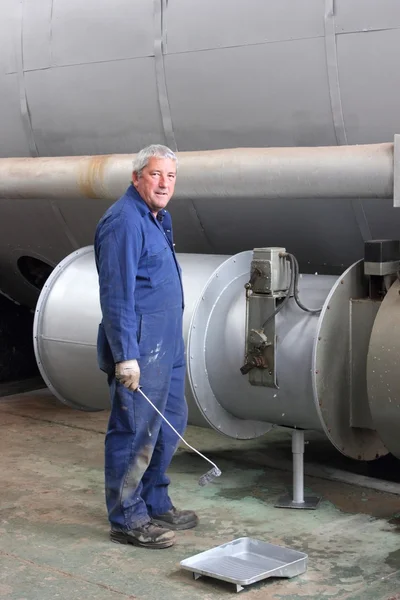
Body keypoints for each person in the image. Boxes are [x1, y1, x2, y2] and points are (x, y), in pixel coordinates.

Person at [94, 144, 198, 549]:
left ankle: (153, 499)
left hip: (167, 346)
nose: (164, 183)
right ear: (137, 177)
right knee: (133, 432)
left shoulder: (158, 218)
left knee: (170, 423)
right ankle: (126, 517)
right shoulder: (123, 221)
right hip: (140, 348)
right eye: (156, 174)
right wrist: (126, 356)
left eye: (170, 176)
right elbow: (116, 294)